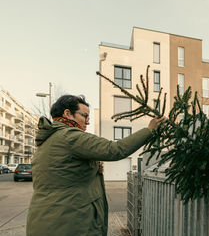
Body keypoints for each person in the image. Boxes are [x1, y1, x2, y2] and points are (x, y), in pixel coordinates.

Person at [26, 95, 165, 236]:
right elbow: (115, 149)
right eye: (84, 116)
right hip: (69, 223)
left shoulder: (50, 139)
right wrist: (149, 130)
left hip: (45, 220)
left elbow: (64, 174)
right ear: (67, 114)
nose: (88, 121)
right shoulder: (70, 136)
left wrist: (92, 168)